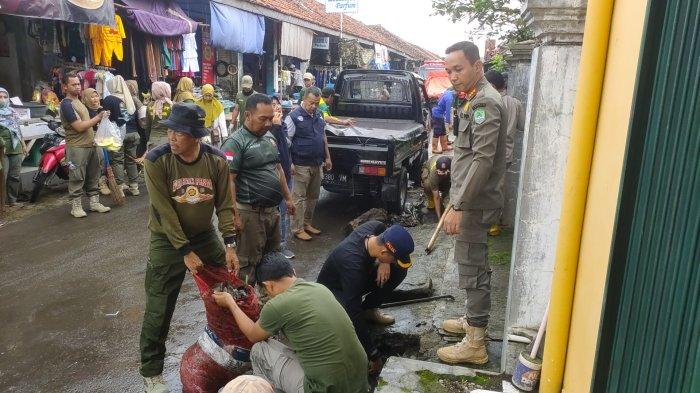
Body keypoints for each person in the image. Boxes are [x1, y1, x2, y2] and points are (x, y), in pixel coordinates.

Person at [139, 102, 239, 393]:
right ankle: (151, 372)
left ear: (196, 135)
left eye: (179, 133)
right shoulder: (156, 161)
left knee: (230, 290)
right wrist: (184, 251)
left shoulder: (217, 160)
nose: (171, 137)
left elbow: (224, 204)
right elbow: (163, 211)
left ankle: (235, 351)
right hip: (166, 241)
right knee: (158, 307)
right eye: (169, 131)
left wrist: (230, 243)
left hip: (204, 236)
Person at [437, 41, 507, 366]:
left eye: (458, 68)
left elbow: (482, 160)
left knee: (473, 267)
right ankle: (472, 320)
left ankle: (475, 342)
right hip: (470, 198)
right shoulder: (470, 100)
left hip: (475, 203)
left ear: (478, 66)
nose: (452, 76)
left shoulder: (485, 104)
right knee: (472, 263)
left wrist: (459, 205)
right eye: (448, 70)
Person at [213, 252, 369, 393]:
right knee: (272, 344)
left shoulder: (278, 305)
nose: (266, 295)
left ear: (269, 285)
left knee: (259, 350)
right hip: (359, 383)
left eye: (265, 291)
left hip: (322, 389)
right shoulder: (319, 288)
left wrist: (231, 303)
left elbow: (253, 335)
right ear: (293, 272)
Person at [317, 221, 415, 374]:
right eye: (394, 258)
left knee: (399, 271)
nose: (395, 261)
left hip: (354, 279)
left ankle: (369, 309)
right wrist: (374, 354)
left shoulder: (373, 228)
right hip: (332, 293)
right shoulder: (353, 265)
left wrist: (385, 263)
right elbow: (353, 311)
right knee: (348, 321)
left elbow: (384, 228)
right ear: (383, 252)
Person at [220, 94, 294, 284]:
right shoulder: (235, 143)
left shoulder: (269, 137)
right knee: (248, 265)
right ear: (248, 115)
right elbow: (229, 181)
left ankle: (265, 304)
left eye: (271, 118)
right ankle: (245, 306)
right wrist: (234, 215)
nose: (269, 123)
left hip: (272, 212)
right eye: (263, 119)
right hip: (250, 214)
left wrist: (288, 198)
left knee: (272, 261)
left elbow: (278, 169)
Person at [59, 72, 111, 218]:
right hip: (77, 147)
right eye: (73, 84)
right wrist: (98, 117)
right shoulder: (66, 104)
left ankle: (94, 203)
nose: (77, 87)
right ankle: (76, 207)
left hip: (91, 145)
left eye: (78, 84)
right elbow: (80, 127)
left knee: (94, 175)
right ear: (64, 87)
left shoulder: (80, 102)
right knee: (77, 177)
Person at [285, 87, 331, 241]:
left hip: (317, 163)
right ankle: (297, 228)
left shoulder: (318, 115)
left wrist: (328, 157)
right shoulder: (293, 117)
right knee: (298, 197)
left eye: (317, 103)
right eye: (311, 103)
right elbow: (287, 142)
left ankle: (307, 223)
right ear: (304, 99)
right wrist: (290, 162)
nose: (314, 106)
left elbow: (323, 137)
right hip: (300, 164)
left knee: (313, 196)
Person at [485, 70, 525, 236]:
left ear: (492, 86)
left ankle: (489, 223)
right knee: (497, 188)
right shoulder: (515, 103)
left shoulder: (488, 101)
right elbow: (523, 126)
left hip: (486, 153)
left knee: (485, 188)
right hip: (505, 155)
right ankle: (493, 224)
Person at [103, 75, 140, 196]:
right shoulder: (130, 97)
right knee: (131, 160)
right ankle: (134, 187)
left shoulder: (109, 99)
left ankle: (120, 188)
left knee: (118, 161)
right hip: (134, 133)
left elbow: (107, 117)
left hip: (119, 134)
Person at [270, 95, 295, 259]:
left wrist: (291, 162)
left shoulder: (283, 125)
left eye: (278, 105)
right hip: (273, 177)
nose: (277, 108)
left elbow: (286, 147)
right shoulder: (268, 128)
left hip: (286, 174)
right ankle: (273, 247)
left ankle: (282, 246)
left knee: (284, 211)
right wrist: (276, 127)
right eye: (273, 105)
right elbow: (275, 148)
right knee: (273, 212)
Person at [80, 88, 111, 196]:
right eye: (92, 97)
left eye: (96, 96)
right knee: (99, 160)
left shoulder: (102, 109)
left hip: (104, 138)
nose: (95, 99)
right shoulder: (84, 111)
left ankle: (106, 180)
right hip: (91, 140)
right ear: (86, 98)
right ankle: (100, 182)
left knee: (107, 159)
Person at [0, 87, 27, 207]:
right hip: (2, 150)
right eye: (0, 97)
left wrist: (23, 144)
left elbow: (18, 129)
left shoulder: (12, 112)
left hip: (15, 147)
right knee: (2, 176)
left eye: (5, 97)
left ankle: (12, 201)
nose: (3, 99)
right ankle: (2, 204)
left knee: (14, 175)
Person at [145, 81, 173, 150]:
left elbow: (148, 126)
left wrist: (148, 139)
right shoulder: (172, 105)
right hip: (169, 141)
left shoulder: (150, 105)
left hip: (153, 141)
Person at [432, 89, 455, 153]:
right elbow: (448, 111)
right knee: (437, 131)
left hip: (440, 114)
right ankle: (434, 148)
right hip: (437, 114)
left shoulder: (448, 92)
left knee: (443, 131)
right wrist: (448, 122)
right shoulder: (449, 98)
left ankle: (444, 147)